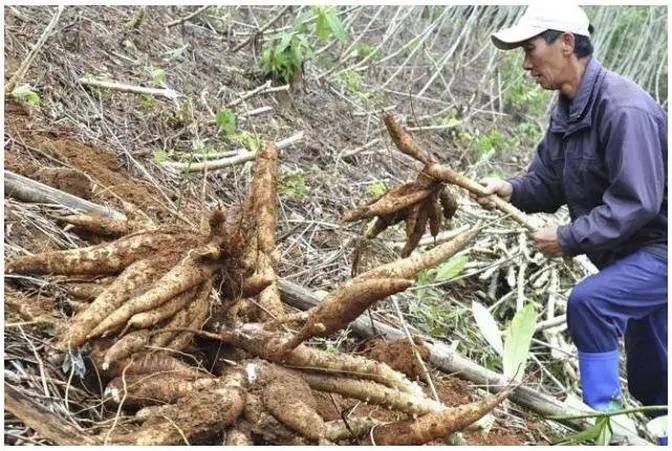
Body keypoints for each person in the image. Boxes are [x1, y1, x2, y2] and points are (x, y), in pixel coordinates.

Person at [481, 4, 668, 443]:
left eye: (530, 48)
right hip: (628, 253)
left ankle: (605, 427)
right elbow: (548, 183)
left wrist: (568, 237)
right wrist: (510, 189)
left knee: (591, 303)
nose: (526, 64)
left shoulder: (624, 109)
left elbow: (636, 201)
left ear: (566, 42)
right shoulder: (566, 111)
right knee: (656, 378)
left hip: (659, 249)